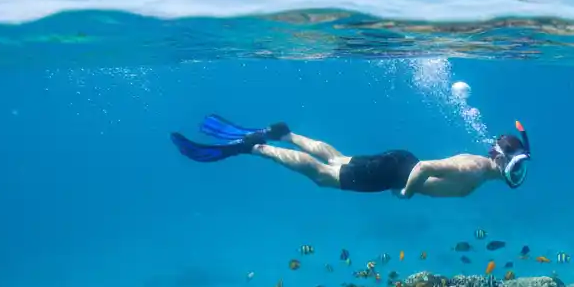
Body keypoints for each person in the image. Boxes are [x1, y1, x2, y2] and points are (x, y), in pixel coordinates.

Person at [169, 115, 531, 198]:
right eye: (517, 167)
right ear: (500, 159)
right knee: (323, 174)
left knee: (338, 159)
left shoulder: (484, 171)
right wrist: (406, 192)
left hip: (395, 163)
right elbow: (424, 168)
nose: (519, 174)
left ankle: (286, 134)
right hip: (396, 171)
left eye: (523, 168)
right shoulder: (475, 168)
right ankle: (258, 147)